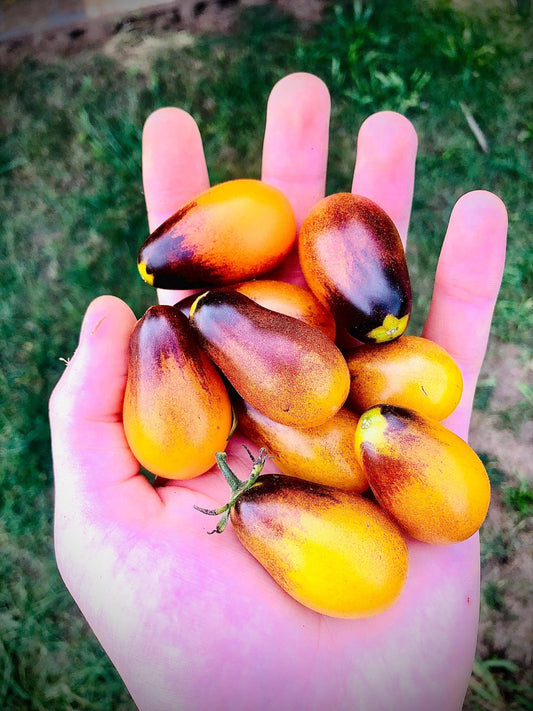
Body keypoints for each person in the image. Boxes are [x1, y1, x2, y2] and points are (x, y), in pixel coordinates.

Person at [49, 72, 507, 711]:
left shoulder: (312, 395)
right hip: (303, 412)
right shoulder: (304, 394)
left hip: (307, 409)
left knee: (334, 402)